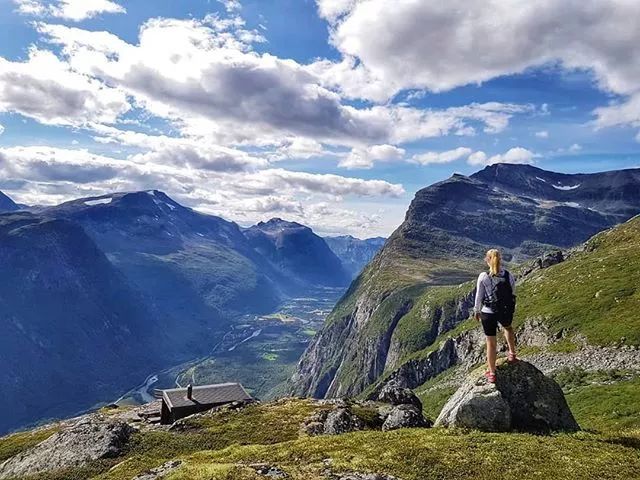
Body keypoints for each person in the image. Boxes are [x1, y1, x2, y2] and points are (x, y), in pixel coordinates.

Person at [474, 248, 517, 383]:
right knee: (508, 328)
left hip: (487, 312)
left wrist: (477, 311)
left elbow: (478, 296)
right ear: (500, 259)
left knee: (491, 343)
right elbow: (513, 291)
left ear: (487, 260)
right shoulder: (508, 275)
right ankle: (512, 354)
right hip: (503, 310)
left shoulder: (483, 276)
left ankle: (492, 373)